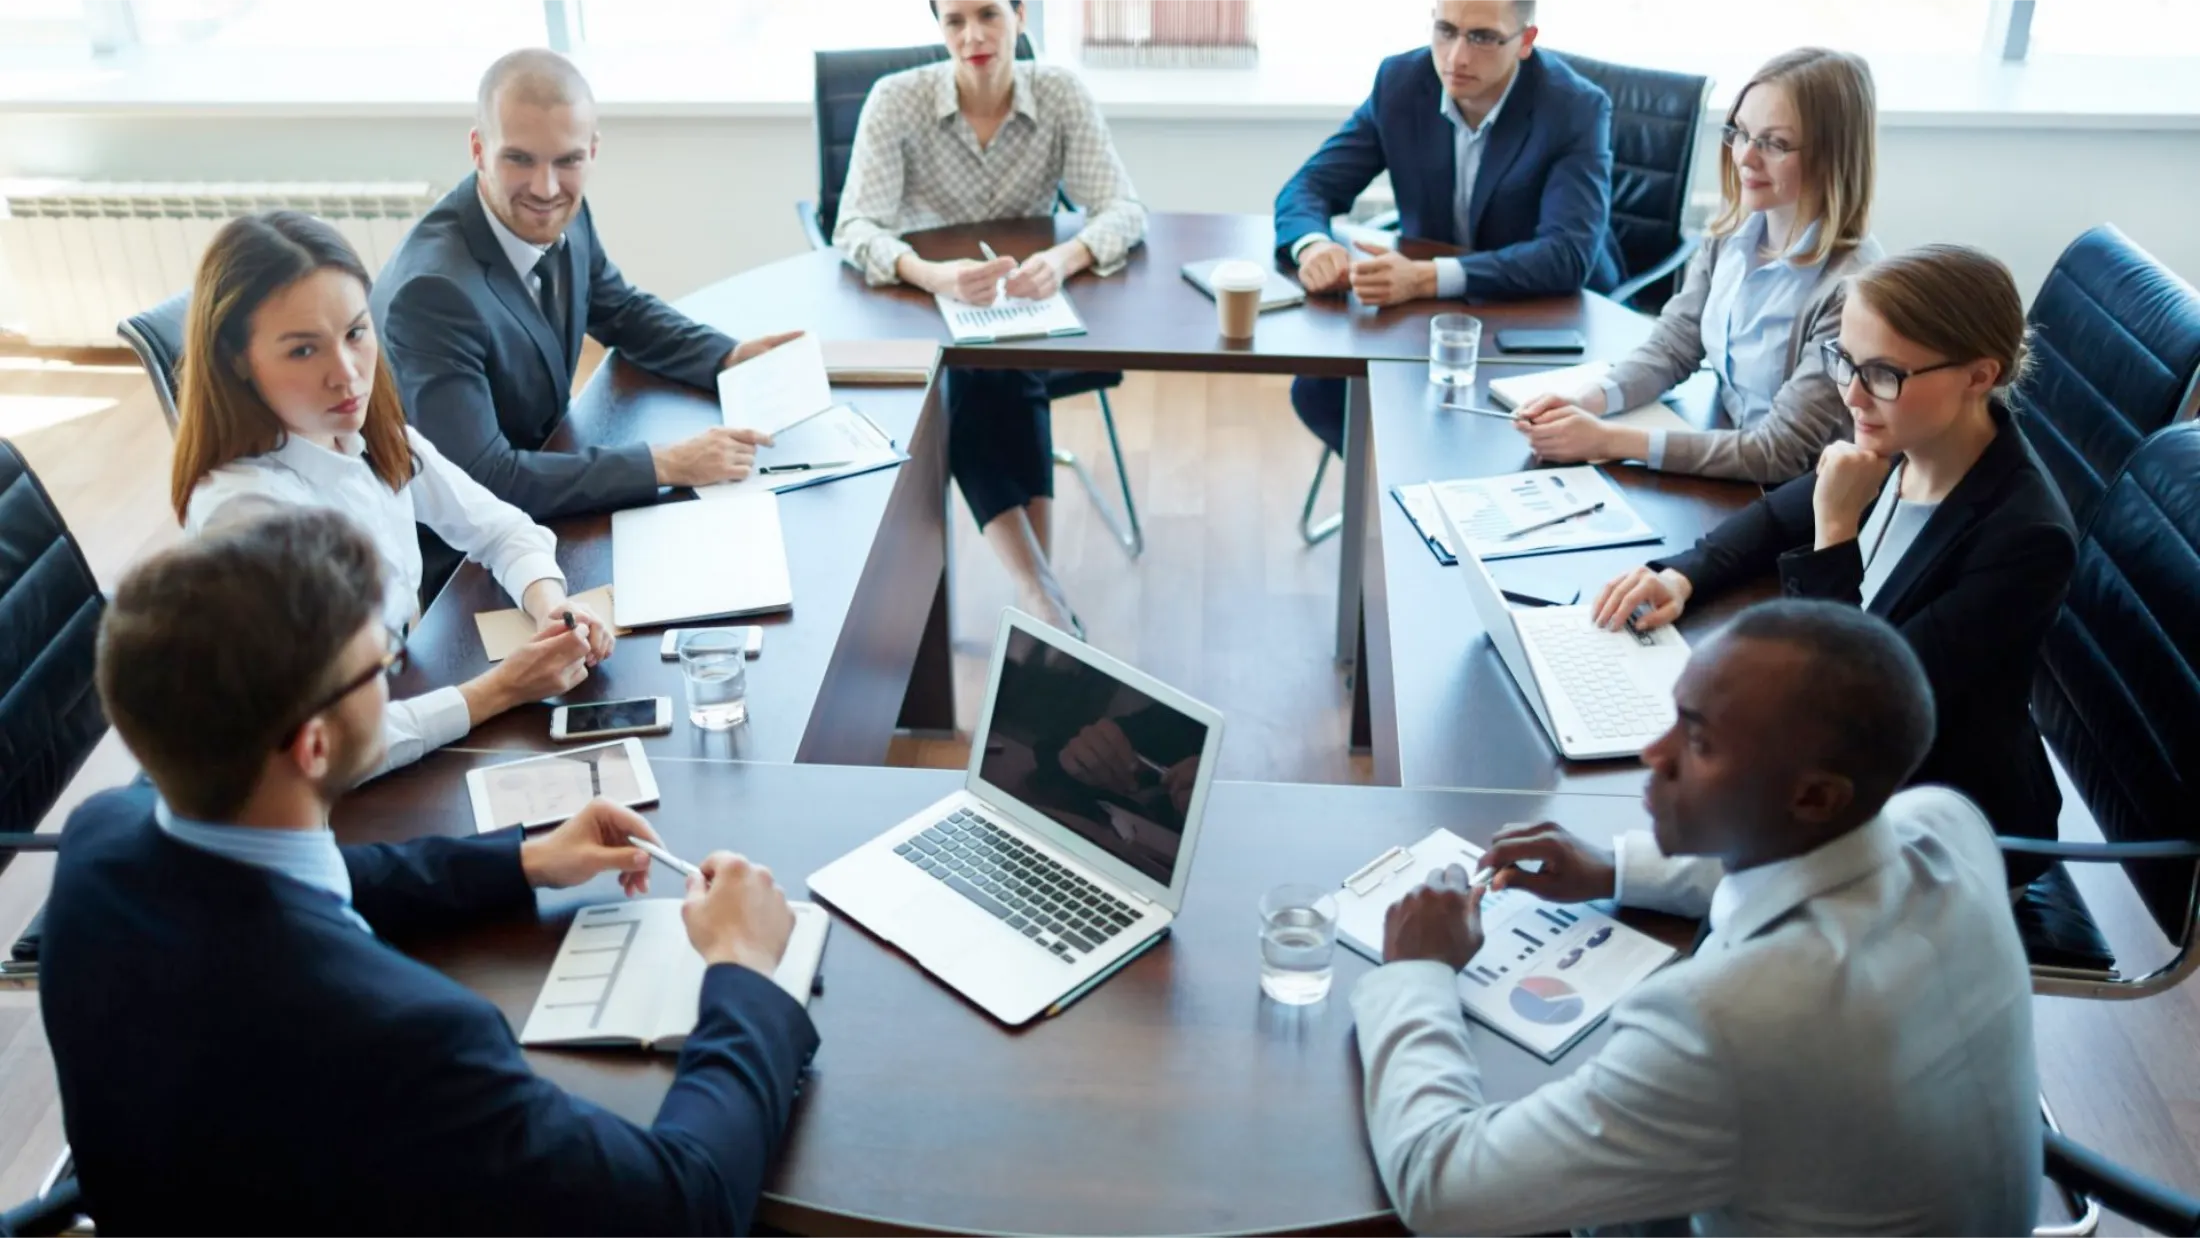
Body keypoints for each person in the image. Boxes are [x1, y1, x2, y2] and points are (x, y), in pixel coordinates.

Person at [40, 507, 817, 1235]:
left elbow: (310, 882)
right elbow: (687, 1208)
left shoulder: (101, 842)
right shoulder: (407, 1041)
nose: (394, 676)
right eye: (383, 663)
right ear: (313, 747)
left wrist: (523, 863)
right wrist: (743, 968)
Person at [1357, 600, 2039, 1235]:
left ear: (1814, 796)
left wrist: (1417, 969)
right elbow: (1812, 854)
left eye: (1701, 743)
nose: (1656, 755)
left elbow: (1441, 1188)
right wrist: (1615, 868)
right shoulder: (1946, 822)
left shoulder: (1728, 1022)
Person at [1591, 244, 2076, 882]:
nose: (1852, 395)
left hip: (1940, 829)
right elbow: (1776, 516)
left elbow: (1851, 706)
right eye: (1845, 361)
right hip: (1846, 782)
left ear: (1978, 377)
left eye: (1881, 374)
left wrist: (1836, 529)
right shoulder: (1911, 435)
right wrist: (1684, 573)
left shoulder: (2025, 539)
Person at [175, 210, 610, 781]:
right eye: (304, 351)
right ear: (237, 361)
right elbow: (328, 748)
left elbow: (501, 528)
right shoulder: (245, 515)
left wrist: (553, 607)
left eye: (356, 333)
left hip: (402, 700)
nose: (348, 374)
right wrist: (501, 689)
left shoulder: (364, 431)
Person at [372, 49, 800, 586]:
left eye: (568, 161)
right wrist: (664, 463)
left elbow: (618, 309)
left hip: (554, 487)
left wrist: (729, 355)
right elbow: (485, 480)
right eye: (520, 159)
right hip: (473, 562)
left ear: (592, 152)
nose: (547, 188)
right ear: (479, 149)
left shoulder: (567, 214)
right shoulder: (432, 293)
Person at [832, 0, 1145, 633]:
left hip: (1021, 304)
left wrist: (1062, 259)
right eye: (954, 21)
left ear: (1021, 16)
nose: (972, 35)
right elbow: (853, 225)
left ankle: (1040, 601)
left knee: (1004, 367)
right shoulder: (897, 99)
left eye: (988, 15)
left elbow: (1123, 210)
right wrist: (929, 272)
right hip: (918, 307)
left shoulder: (1058, 93)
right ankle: (1042, 594)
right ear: (939, 28)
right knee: (973, 376)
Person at [1515, 48, 1883, 482]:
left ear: (1832, 155)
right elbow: (1674, 346)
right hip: (1724, 452)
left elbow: (1780, 451)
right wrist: (1589, 399)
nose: (1745, 157)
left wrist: (1606, 439)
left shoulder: (1850, 289)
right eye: (1742, 133)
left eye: (1775, 143)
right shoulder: (1732, 231)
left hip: (1800, 495)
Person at [1274, 0, 1622, 457]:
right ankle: (1399, 498)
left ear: (1525, 42)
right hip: (1430, 315)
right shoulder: (1401, 82)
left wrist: (1424, 277)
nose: (1456, 57)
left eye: (1482, 37)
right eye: (1446, 30)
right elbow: (1310, 185)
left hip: (1544, 316)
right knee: (1319, 392)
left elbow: (1566, 255)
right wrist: (1313, 246)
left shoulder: (1575, 107)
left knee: (1496, 436)